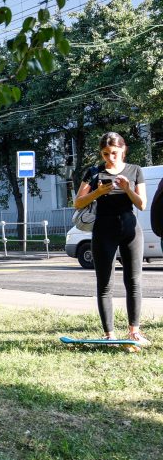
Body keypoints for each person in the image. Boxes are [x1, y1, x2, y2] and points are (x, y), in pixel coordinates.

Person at [73, 132, 149, 344]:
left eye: (114, 153)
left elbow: (142, 204)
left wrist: (127, 189)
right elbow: (78, 203)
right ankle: (109, 334)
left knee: (133, 281)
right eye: (106, 154)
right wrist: (98, 192)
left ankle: (134, 331)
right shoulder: (94, 172)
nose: (110, 158)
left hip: (130, 230)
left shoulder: (135, 170)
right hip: (103, 230)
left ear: (123, 150)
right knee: (105, 283)